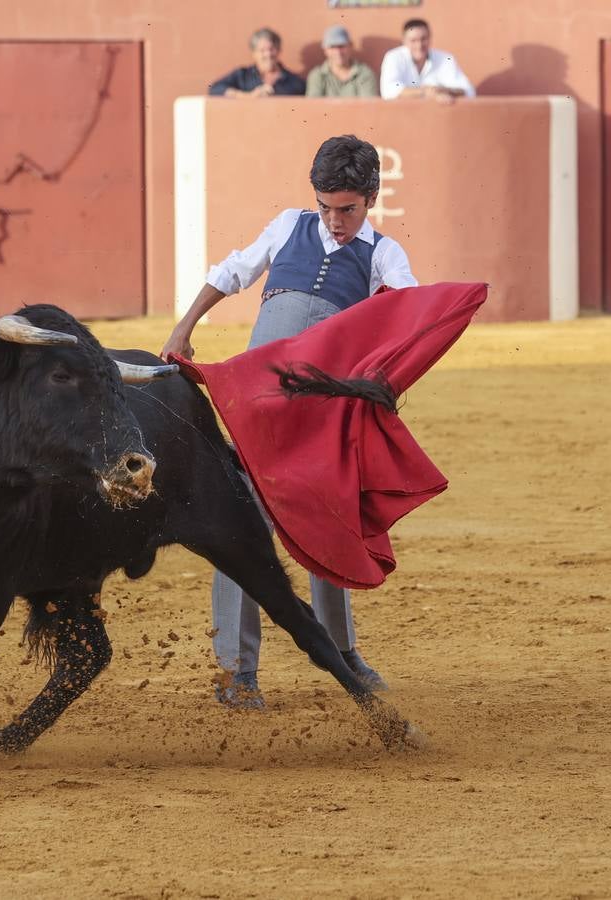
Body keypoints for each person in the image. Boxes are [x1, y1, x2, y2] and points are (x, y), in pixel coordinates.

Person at [160, 135, 416, 708]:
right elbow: (231, 272)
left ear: (371, 199)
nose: (334, 220)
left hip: (322, 421)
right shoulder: (287, 226)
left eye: (347, 209)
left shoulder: (383, 256)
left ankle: (343, 652)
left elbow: (409, 321)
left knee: (328, 530)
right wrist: (182, 327)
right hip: (257, 411)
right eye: (325, 206)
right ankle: (237, 671)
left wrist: (381, 382)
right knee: (238, 531)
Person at [379, 18, 476, 102]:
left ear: (430, 38)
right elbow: (388, 90)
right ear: (404, 41)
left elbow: (469, 91)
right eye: (413, 40)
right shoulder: (393, 57)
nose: (419, 45)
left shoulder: (445, 58)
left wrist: (443, 91)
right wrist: (426, 92)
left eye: (423, 39)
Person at [208, 27, 306, 98]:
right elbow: (215, 89)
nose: (268, 54)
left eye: (271, 49)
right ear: (254, 53)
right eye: (262, 50)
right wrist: (247, 96)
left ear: (279, 50)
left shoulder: (295, 82)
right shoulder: (242, 75)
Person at [305, 25, 377, 98]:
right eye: (332, 47)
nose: (338, 52)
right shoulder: (318, 75)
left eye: (341, 46)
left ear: (350, 46)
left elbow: (368, 105)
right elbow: (314, 105)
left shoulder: (364, 74)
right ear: (325, 50)